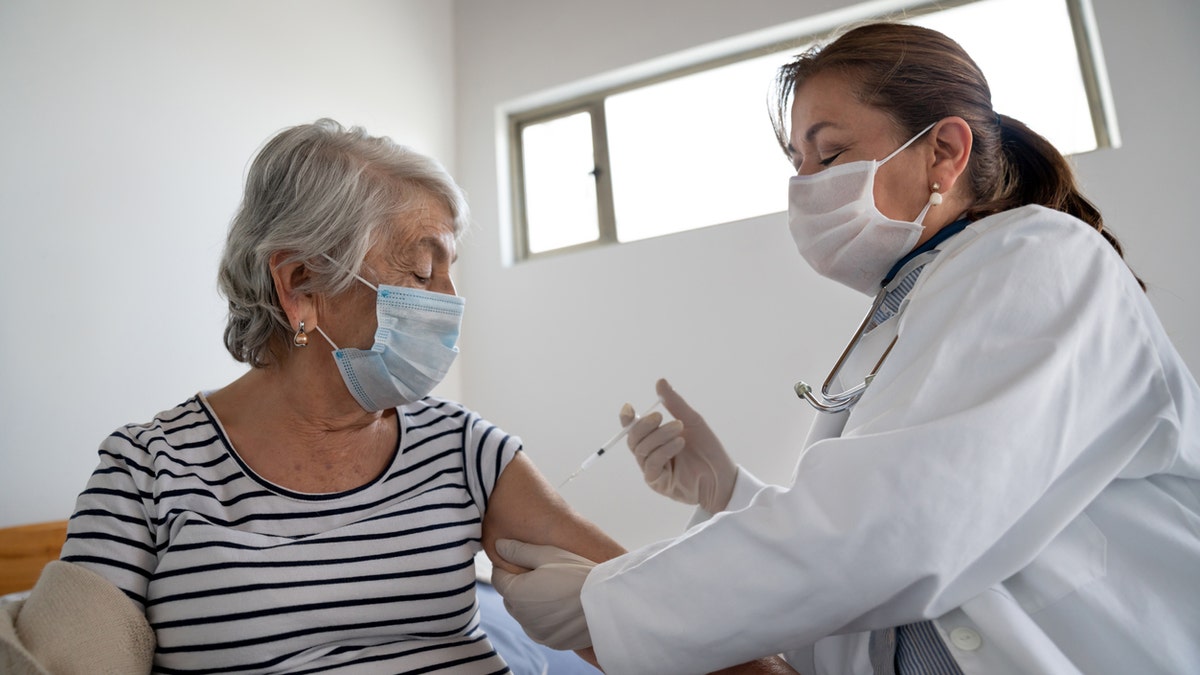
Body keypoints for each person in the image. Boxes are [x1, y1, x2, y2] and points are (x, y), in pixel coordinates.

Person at [491, 22, 1200, 675]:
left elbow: (900, 526)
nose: (805, 187)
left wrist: (609, 601)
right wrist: (730, 493)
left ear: (944, 152)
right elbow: (860, 580)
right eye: (798, 163)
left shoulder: (1039, 259)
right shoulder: (909, 314)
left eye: (829, 154)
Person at [10, 118, 637, 674]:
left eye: (450, 272)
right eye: (421, 272)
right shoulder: (147, 471)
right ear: (300, 284)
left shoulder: (465, 449)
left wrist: (721, 505)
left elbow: (655, 609)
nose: (448, 299)